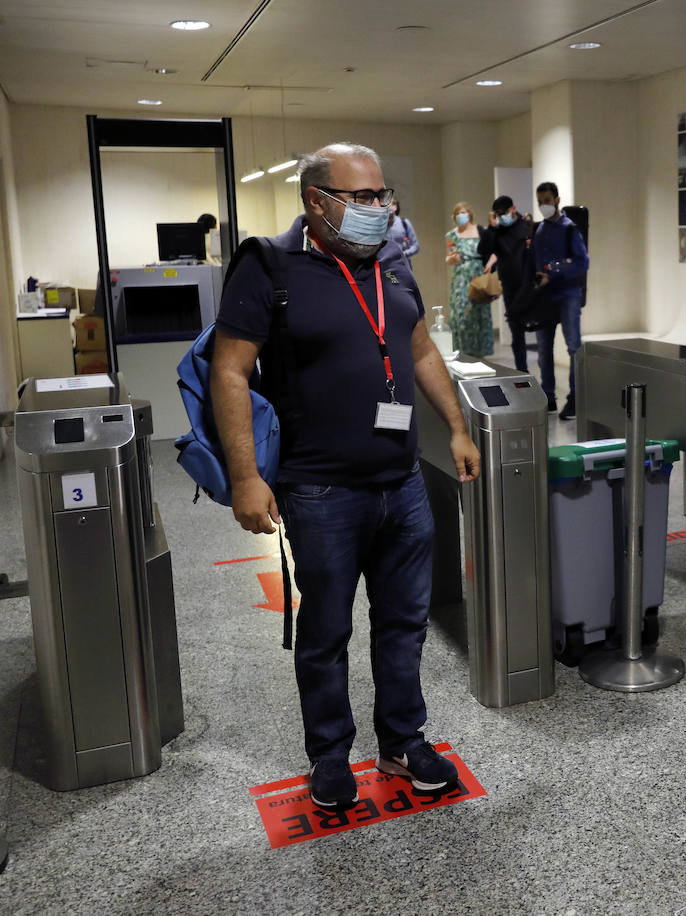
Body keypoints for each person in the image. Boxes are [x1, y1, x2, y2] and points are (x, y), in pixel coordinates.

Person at [211, 142, 482, 811]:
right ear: (316, 201)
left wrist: (455, 426)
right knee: (327, 631)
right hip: (321, 490)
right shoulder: (270, 267)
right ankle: (330, 755)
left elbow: (418, 348)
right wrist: (246, 476)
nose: (379, 209)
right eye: (362, 197)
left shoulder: (392, 266)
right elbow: (230, 369)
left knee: (404, 623)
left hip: (404, 485)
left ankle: (403, 739)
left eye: (382, 195)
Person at [531, 181, 589, 420]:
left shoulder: (569, 228)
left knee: (573, 347)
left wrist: (553, 270)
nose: (543, 205)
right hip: (545, 297)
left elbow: (582, 262)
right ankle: (549, 398)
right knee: (544, 349)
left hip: (568, 295)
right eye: (540, 202)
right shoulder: (539, 230)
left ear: (556, 200)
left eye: (546, 200)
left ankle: (575, 398)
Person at [477, 195, 533, 378]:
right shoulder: (497, 231)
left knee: (537, 329)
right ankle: (522, 371)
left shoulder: (526, 226)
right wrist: (492, 227)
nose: (503, 216)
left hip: (530, 284)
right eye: (499, 214)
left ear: (513, 208)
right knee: (516, 331)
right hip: (509, 285)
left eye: (505, 213)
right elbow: (483, 250)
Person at [444, 201, 491, 356]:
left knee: (479, 314)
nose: (461, 216)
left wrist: (489, 265)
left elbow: (492, 251)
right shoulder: (452, 235)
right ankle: (463, 352)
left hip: (478, 276)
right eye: (457, 213)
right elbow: (449, 257)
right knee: (462, 315)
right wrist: (453, 259)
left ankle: (480, 354)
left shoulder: (481, 231)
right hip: (461, 279)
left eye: (463, 212)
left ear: (470, 214)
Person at [385, 200, 419, 268]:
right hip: (385, 266)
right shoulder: (379, 226)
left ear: (395, 207)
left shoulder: (404, 223)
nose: (386, 207)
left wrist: (404, 254)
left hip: (403, 265)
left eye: (389, 204)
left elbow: (415, 246)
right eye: (385, 205)